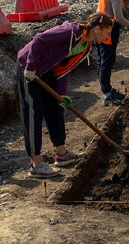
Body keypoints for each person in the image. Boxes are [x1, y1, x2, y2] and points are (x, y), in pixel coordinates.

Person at [18, 12, 115, 177]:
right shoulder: (71, 32)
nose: (107, 37)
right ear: (97, 28)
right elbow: (39, 39)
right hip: (29, 66)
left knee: (55, 108)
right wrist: (31, 67)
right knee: (33, 113)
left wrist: (61, 94)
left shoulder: (86, 47)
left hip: (47, 70)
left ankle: (62, 154)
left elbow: (64, 70)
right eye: (107, 32)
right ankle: (36, 164)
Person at [97, 0, 129, 106]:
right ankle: (107, 94)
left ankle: (105, 89)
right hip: (108, 30)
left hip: (99, 26)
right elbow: (119, 17)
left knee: (102, 60)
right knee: (107, 61)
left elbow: (112, 4)